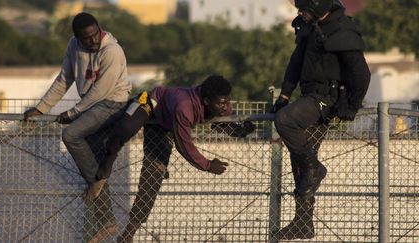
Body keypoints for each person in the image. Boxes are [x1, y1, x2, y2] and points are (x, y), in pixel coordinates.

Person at [89, 75, 254, 242]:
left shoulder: (222, 106)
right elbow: (184, 145)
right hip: (153, 106)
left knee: (152, 179)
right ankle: (106, 164)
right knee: (125, 129)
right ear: (205, 101)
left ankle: (127, 236)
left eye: (228, 101)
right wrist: (208, 165)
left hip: (169, 124)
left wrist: (237, 131)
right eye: (221, 103)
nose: (226, 107)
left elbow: (218, 123)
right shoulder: (185, 106)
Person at [22, 12, 132, 243]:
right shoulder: (74, 46)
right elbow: (64, 78)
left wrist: (73, 113)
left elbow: (102, 90)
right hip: (91, 106)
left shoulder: (112, 50)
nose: (92, 41)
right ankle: (107, 219)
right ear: (77, 37)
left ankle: (99, 189)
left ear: (99, 29)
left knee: (70, 135)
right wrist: (42, 108)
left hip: (113, 102)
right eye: (86, 38)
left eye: (95, 34)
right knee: (94, 169)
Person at [271, 0, 370, 240]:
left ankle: (315, 167)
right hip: (308, 95)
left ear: (316, 7)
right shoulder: (311, 27)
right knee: (302, 166)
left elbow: (361, 74)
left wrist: (351, 106)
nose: (299, 13)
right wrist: (285, 94)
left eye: (303, 9)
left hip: (326, 99)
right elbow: (295, 63)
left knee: (284, 120)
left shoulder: (342, 30)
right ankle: (303, 223)